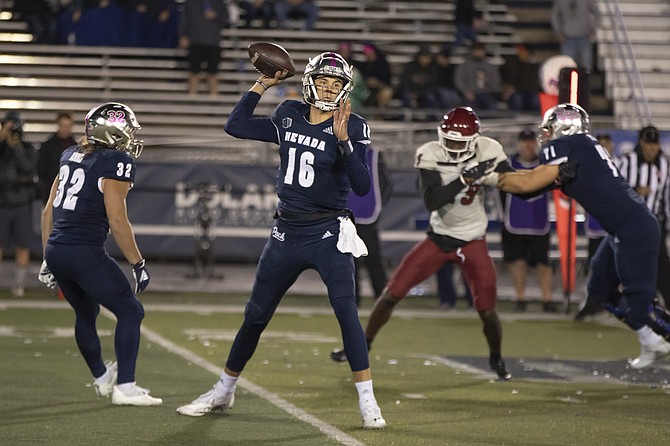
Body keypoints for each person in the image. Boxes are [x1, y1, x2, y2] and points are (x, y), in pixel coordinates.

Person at [176, 52, 386, 429]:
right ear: (310, 81)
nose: (328, 87)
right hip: (286, 232)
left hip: (328, 232)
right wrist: (262, 85)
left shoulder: (352, 125)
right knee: (255, 316)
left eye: (336, 83)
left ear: (345, 89)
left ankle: (368, 402)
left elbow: (362, 186)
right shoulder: (288, 113)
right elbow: (235, 126)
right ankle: (223, 390)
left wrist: (344, 143)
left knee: (346, 311)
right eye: (323, 80)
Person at [330, 107, 514, 381]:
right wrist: (465, 177)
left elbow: (514, 181)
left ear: (474, 141)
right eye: (448, 140)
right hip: (439, 238)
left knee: (487, 310)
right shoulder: (431, 153)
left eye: (458, 142)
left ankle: (496, 357)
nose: (451, 147)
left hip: (474, 240)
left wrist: (549, 179)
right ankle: (361, 346)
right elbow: (432, 201)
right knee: (391, 293)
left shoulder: (489, 149)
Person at [497, 103, 670, 369]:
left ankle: (656, 333)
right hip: (622, 228)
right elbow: (529, 191)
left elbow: (526, 184)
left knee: (641, 306)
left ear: (564, 127)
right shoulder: (581, 146)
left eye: (550, 128)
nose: (545, 134)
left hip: (632, 228)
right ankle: (650, 340)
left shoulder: (566, 146)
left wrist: (488, 176)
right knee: (599, 290)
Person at [38, 102, 161, 405]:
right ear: (113, 133)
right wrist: (138, 263)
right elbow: (118, 222)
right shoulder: (115, 162)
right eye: (127, 131)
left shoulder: (70, 154)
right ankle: (126, 387)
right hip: (83, 251)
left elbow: (46, 212)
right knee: (131, 311)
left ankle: (102, 377)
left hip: (57, 248)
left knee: (86, 312)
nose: (131, 138)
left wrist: (46, 257)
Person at [498, 129, 556, 313]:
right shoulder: (508, 164)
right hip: (514, 221)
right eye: (524, 141)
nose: (527, 145)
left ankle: (547, 299)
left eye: (530, 141)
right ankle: (520, 297)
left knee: (543, 263)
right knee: (517, 262)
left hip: (539, 222)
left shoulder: (546, 164)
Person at [617, 125, 670, 305]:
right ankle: (629, 301)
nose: (652, 148)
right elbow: (616, 189)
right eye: (649, 144)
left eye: (655, 144)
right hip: (632, 223)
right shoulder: (628, 161)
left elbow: (667, 195)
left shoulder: (664, 163)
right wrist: (635, 192)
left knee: (662, 265)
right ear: (641, 143)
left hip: (655, 223)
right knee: (633, 263)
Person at [347, 145, 393, 307]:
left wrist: (377, 204)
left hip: (366, 215)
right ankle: (352, 299)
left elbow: (386, 184)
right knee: (350, 260)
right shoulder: (338, 151)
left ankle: (381, 298)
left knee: (372, 259)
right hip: (347, 214)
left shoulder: (374, 155)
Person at [574, 133, 614, 321]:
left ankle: (611, 304)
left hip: (615, 226)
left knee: (617, 268)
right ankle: (590, 303)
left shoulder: (621, 165)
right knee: (595, 266)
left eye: (607, 144)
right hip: (597, 226)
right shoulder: (589, 167)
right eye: (601, 144)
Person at [0, 111, 38, 298]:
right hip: (1, 202)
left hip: (22, 202)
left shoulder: (27, 148)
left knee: (23, 244)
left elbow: (27, 170)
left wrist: (15, 148)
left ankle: (19, 285)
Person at [179, 0, 229, 95]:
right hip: (196, 41)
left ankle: (213, 97)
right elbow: (184, 19)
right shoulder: (191, 2)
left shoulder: (218, 2)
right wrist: (183, 35)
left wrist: (215, 16)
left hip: (213, 42)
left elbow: (225, 19)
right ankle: (192, 97)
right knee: (194, 71)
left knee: (213, 72)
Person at [37, 112, 77, 204]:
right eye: (63, 126)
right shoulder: (47, 147)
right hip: (50, 192)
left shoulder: (77, 147)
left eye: (68, 126)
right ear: (58, 125)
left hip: (71, 194)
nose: (65, 129)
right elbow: (41, 171)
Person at [551, 0, 600, 72]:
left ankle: (585, 82)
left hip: (584, 38)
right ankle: (568, 82)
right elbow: (554, 16)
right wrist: (559, 32)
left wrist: (593, 29)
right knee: (567, 65)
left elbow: (597, 13)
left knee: (586, 66)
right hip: (568, 38)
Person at [454, 42, 502, 111]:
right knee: (470, 108)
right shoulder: (464, 66)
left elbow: (496, 83)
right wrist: (466, 91)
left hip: (487, 93)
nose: (478, 53)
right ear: (472, 52)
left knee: (492, 106)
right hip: (471, 93)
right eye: (476, 51)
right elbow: (459, 80)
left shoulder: (491, 67)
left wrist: (487, 81)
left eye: (480, 51)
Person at [500, 44, 541, 112]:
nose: (520, 54)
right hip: (517, 90)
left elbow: (536, 82)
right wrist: (507, 88)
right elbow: (507, 79)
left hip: (531, 91)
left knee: (535, 100)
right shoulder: (513, 64)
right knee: (517, 100)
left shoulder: (535, 67)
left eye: (523, 52)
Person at [358, 42, 394, 113]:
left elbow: (387, 80)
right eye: (366, 53)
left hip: (381, 88)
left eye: (370, 52)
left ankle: (380, 115)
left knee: (386, 92)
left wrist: (378, 83)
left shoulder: (383, 64)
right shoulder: (364, 65)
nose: (369, 54)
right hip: (366, 89)